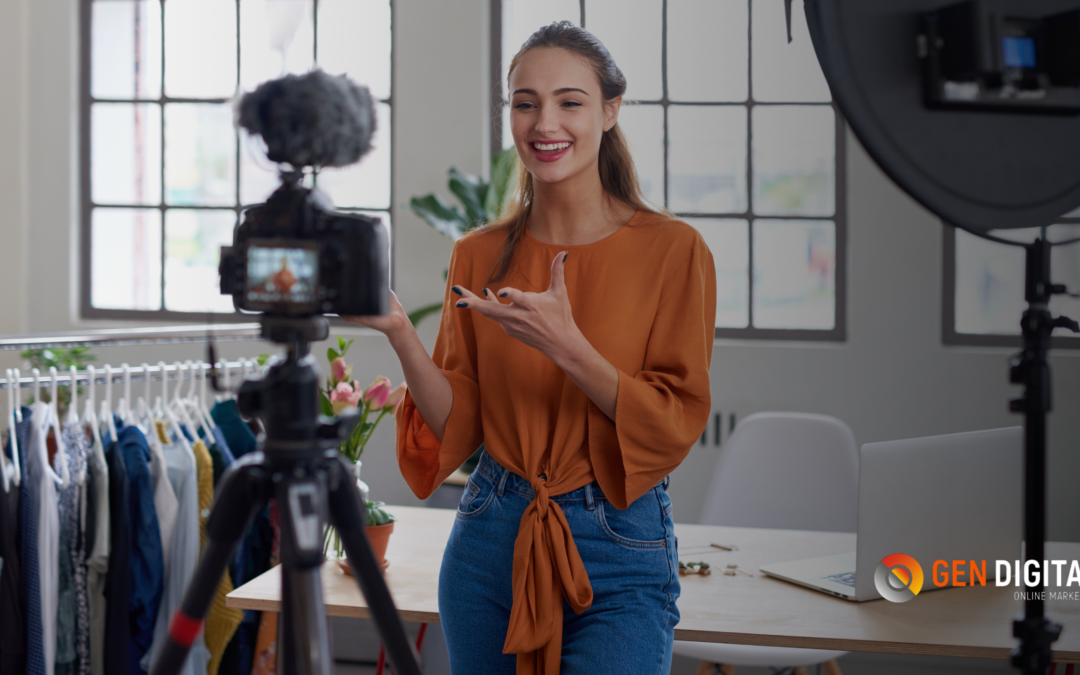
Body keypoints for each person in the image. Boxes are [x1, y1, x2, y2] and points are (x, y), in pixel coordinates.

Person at [346, 20, 716, 675]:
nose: (546, 122)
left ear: (609, 110)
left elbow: (673, 420)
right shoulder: (478, 253)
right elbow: (459, 425)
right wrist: (400, 331)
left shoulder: (673, 251)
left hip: (619, 539)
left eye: (570, 102)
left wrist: (569, 347)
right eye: (525, 102)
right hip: (491, 533)